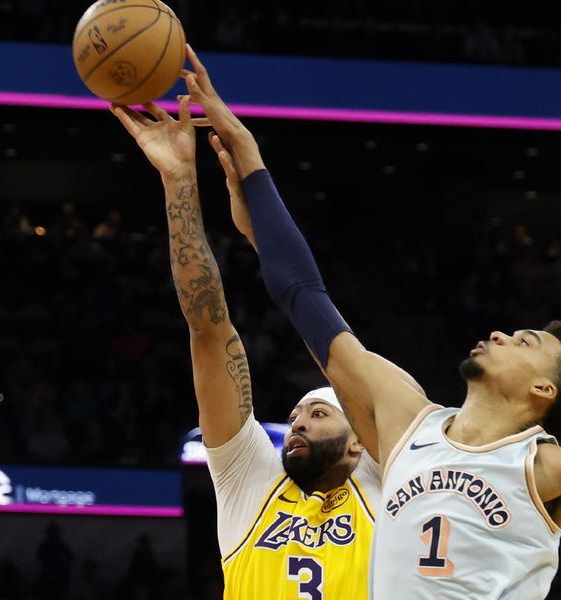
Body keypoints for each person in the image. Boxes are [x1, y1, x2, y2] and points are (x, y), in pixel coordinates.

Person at [183, 45, 561, 599]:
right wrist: (252, 161)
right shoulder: (407, 422)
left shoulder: (553, 467)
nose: (503, 333)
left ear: (543, 388)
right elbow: (303, 295)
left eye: (525, 340)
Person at [110, 93, 380, 599]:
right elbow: (209, 330)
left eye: (319, 413)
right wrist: (178, 183)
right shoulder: (250, 477)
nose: (297, 422)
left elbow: (350, 360)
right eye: (299, 414)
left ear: (360, 440)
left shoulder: (388, 484)